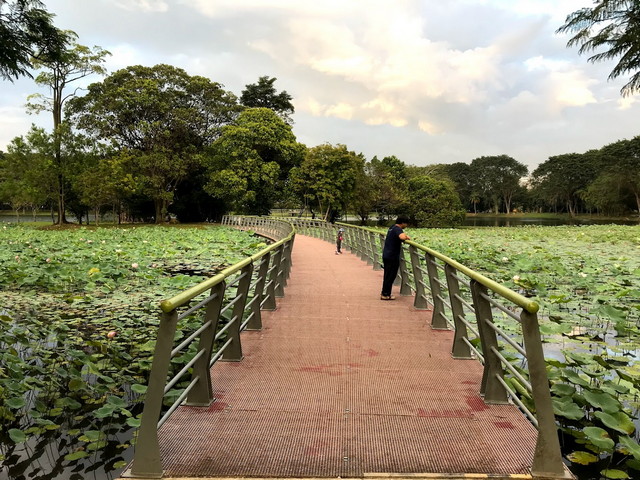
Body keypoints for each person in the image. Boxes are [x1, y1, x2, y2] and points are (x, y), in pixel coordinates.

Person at [380, 216, 410, 300]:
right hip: (392, 256)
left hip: (387, 254)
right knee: (390, 275)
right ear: (403, 223)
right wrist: (406, 237)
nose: (406, 225)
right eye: (406, 224)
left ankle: (385, 292)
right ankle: (385, 294)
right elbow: (402, 237)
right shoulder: (397, 229)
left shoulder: (392, 227)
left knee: (387, 275)